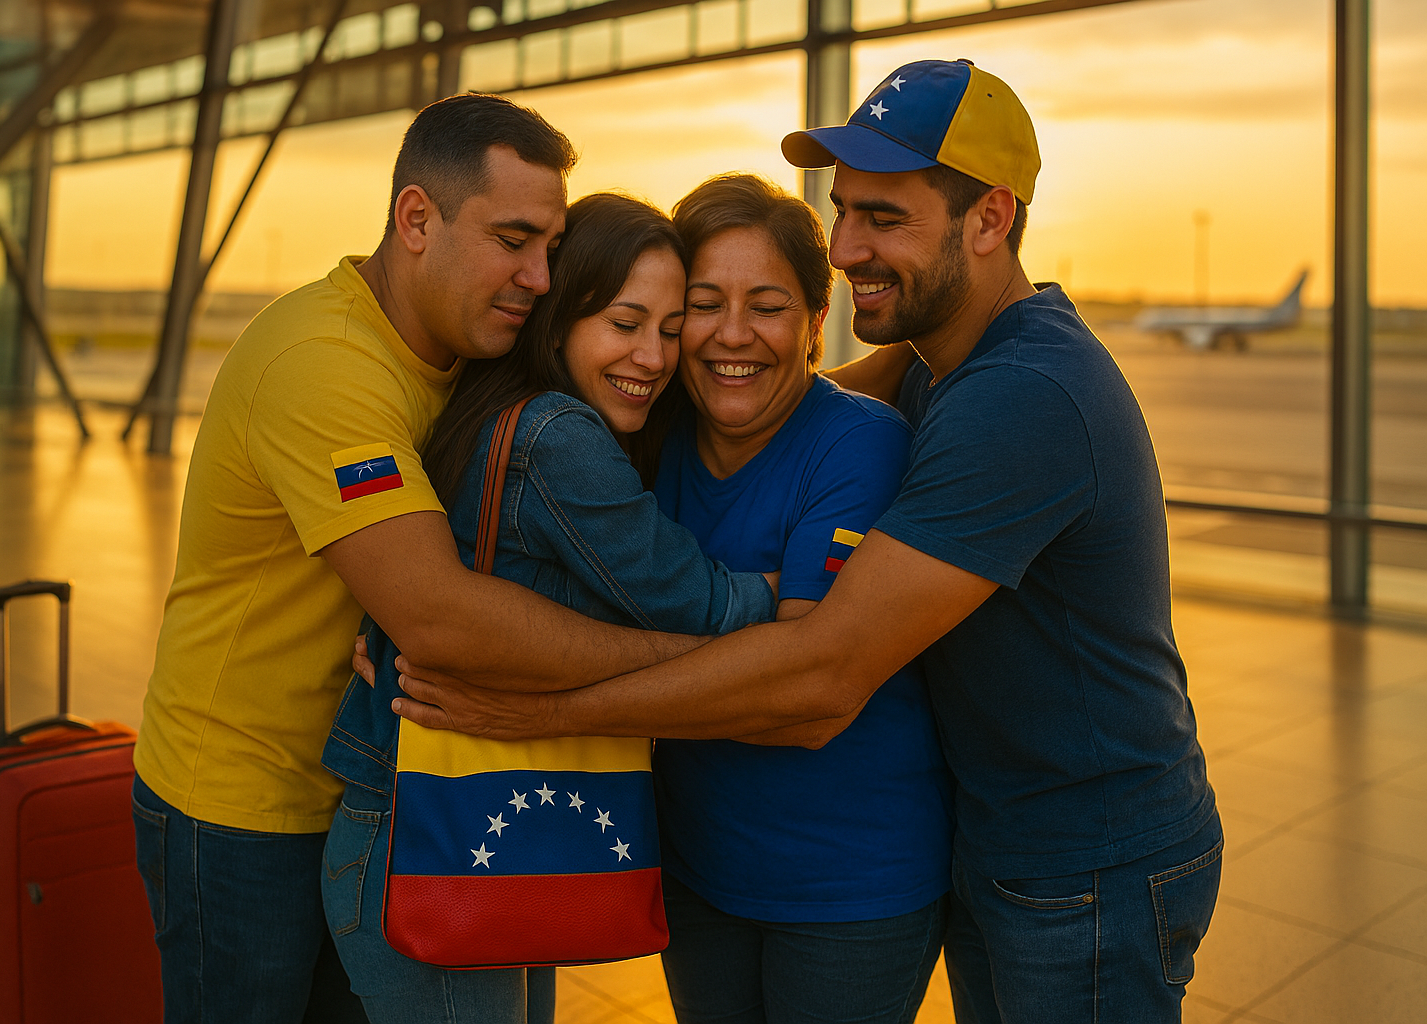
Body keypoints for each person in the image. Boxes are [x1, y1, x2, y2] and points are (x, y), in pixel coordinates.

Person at [390, 60, 1222, 1024]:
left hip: (1089, 857)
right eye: (845, 211)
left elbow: (818, 681)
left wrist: (534, 711)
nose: (847, 244)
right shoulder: (946, 366)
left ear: (991, 219)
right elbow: (828, 393)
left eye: (885, 217)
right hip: (994, 836)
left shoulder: (1020, 396)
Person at [130, 92, 585, 1023]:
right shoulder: (324, 364)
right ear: (416, 219)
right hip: (239, 806)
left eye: (551, 247)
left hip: (364, 792)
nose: (539, 277)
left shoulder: (466, 349)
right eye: (512, 239)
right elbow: (436, 615)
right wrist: (692, 654)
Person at [317, 192, 780, 1023]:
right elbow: (695, 599)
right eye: (624, 322)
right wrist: (779, 599)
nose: (654, 355)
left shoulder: (496, 411)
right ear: (560, 319)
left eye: (672, 330)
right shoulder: (556, 437)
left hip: (465, 829)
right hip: (439, 836)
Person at [652, 174, 951, 1024]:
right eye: (704, 305)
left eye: (769, 306)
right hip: (696, 869)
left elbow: (798, 698)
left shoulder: (859, 445)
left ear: (817, 323)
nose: (733, 336)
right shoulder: (650, 439)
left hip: (849, 890)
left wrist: (553, 689)